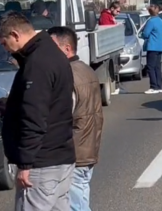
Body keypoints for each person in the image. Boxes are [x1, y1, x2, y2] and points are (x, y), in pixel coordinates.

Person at [0, 11, 76, 211]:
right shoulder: (52, 53)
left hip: (41, 164)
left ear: (15, 35)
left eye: (4, 44)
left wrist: (26, 165)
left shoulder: (37, 64)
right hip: (61, 157)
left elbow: (34, 117)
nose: (7, 50)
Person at [48, 27, 104, 211]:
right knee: (79, 197)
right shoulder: (85, 69)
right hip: (86, 145)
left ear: (66, 48)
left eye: (51, 47)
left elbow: (62, 115)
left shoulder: (67, 75)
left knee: (75, 204)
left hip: (74, 150)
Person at [142, 4, 162, 94]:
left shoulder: (151, 21)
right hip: (160, 46)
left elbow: (146, 34)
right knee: (157, 67)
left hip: (152, 46)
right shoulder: (161, 20)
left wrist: (143, 35)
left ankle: (153, 86)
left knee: (150, 67)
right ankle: (159, 86)